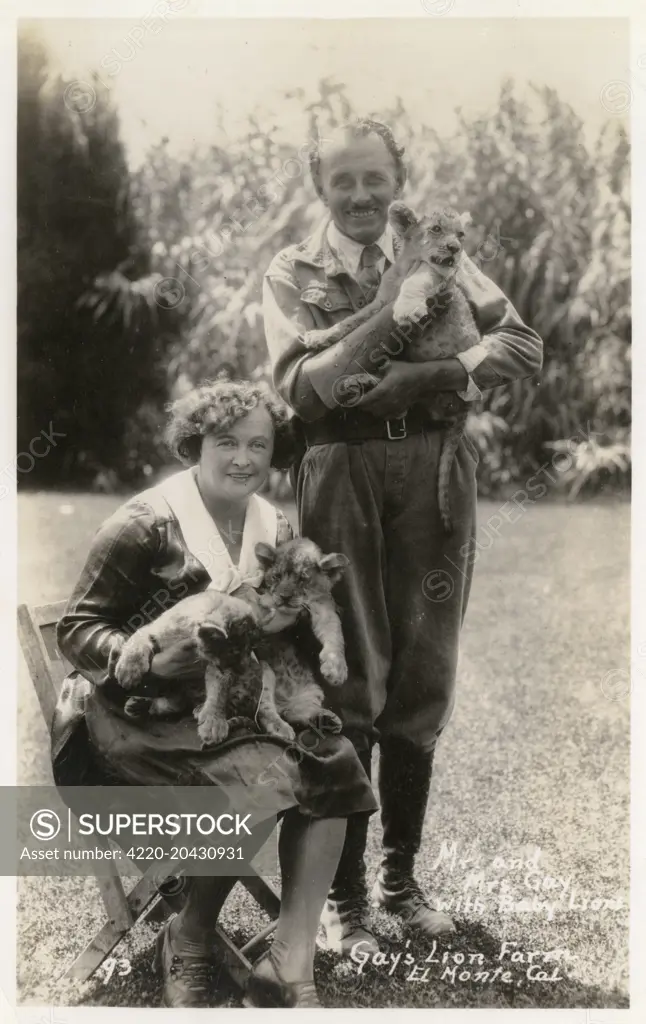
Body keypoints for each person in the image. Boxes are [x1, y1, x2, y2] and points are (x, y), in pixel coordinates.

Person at [262, 118, 543, 955]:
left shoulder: (434, 248)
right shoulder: (293, 271)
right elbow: (309, 394)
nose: (360, 196)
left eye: (374, 179)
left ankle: (401, 881)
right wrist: (388, 332)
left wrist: (429, 376)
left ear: (398, 182)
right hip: (340, 475)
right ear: (321, 188)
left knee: (423, 674)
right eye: (342, 181)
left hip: (435, 469)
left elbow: (521, 343)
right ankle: (345, 901)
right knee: (345, 675)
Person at [53, 377, 378, 1009]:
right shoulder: (145, 523)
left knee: (334, 757)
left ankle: (290, 959)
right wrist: (139, 657)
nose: (244, 459)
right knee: (261, 774)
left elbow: (292, 626)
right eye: (226, 442)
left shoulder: (272, 525)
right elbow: (77, 630)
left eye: (259, 445)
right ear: (194, 444)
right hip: (130, 716)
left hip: (232, 706)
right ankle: (191, 935)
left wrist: (302, 625)